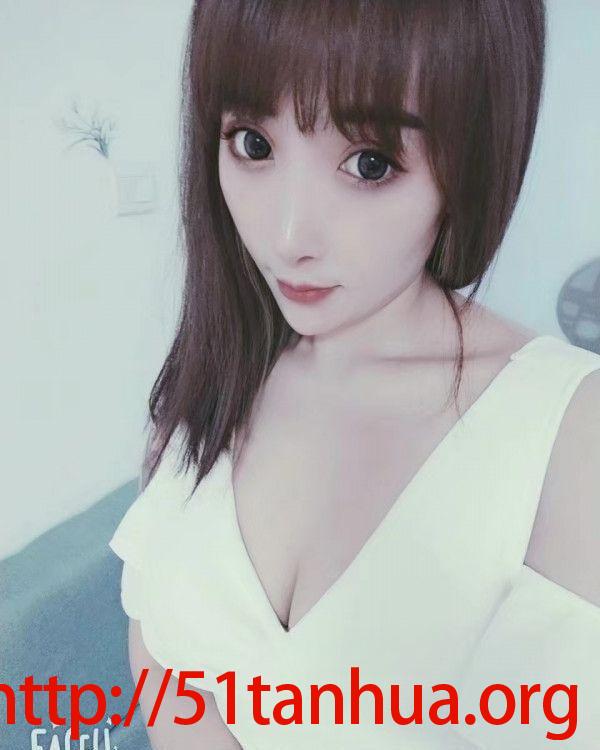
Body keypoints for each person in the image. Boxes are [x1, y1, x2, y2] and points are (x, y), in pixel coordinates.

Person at [109, 1, 600, 747]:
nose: (288, 237)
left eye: (370, 163)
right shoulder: (214, 375)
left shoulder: (569, 435)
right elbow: (162, 652)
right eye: (252, 144)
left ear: (469, 160)